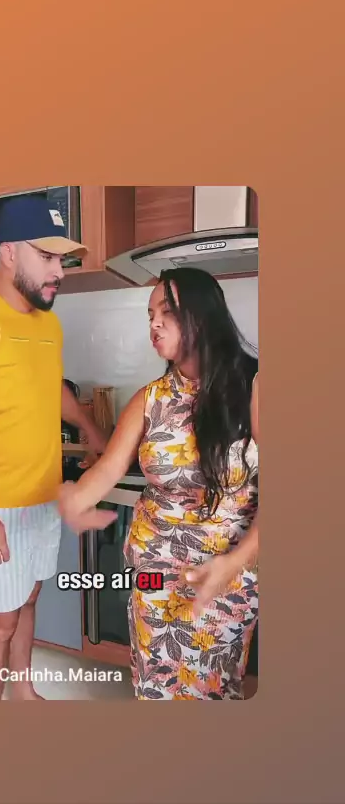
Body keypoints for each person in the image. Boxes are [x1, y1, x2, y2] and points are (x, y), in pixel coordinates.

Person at [58, 268, 259, 700]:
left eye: (167, 312)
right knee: (156, 687)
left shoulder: (254, 388)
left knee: (213, 693)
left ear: (203, 316)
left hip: (225, 574)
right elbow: (109, 468)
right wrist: (75, 498)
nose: (154, 323)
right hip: (153, 575)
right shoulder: (150, 398)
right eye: (150, 314)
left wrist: (233, 563)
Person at [0, 193, 107, 701]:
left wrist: (91, 429)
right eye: (47, 256)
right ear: (9, 253)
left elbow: (52, 389)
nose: (59, 272)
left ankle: (23, 693)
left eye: (62, 259)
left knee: (28, 602)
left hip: (43, 496)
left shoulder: (48, 321)